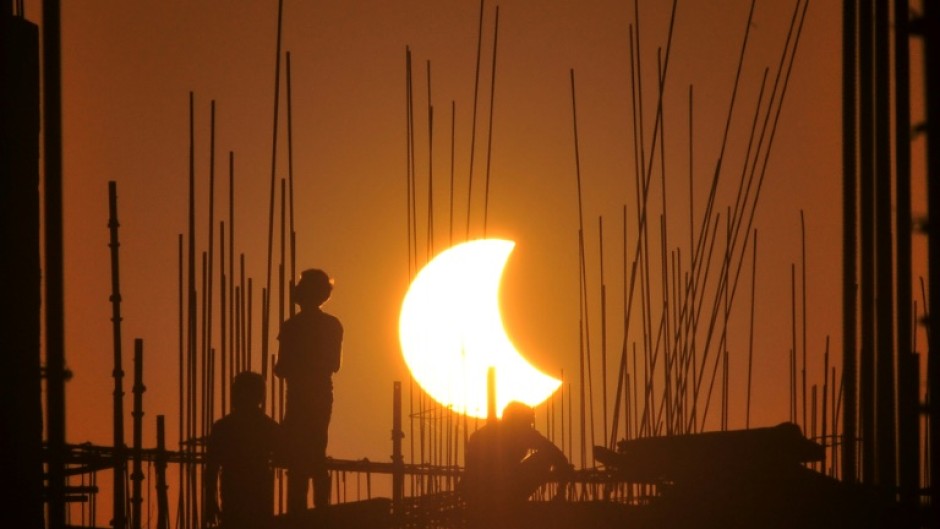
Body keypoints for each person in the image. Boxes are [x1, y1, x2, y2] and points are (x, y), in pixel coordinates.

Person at [274, 268, 343, 513]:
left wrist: (299, 362)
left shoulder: (293, 326)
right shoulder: (331, 325)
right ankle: (318, 511)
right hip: (317, 396)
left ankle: (301, 514)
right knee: (314, 451)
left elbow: (281, 368)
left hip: (302, 396)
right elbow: (333, 364)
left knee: (301, 456)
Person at [459, 401, 572, 511]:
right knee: (544, 458)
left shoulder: (484, 433)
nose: (530, 426)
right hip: (496, 493)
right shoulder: (520, 432)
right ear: (518, 420)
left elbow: (557, 456)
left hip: (478, 494)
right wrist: (560, 492)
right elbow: (556, 456)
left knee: (546, 456)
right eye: (528, 422)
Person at [204, 371, 280, 529]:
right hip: (252, 498)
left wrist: (210, 500)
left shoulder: (223, 427)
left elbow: (211, 468)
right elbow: (211, 468)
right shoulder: (266, 427)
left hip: (241, 498)